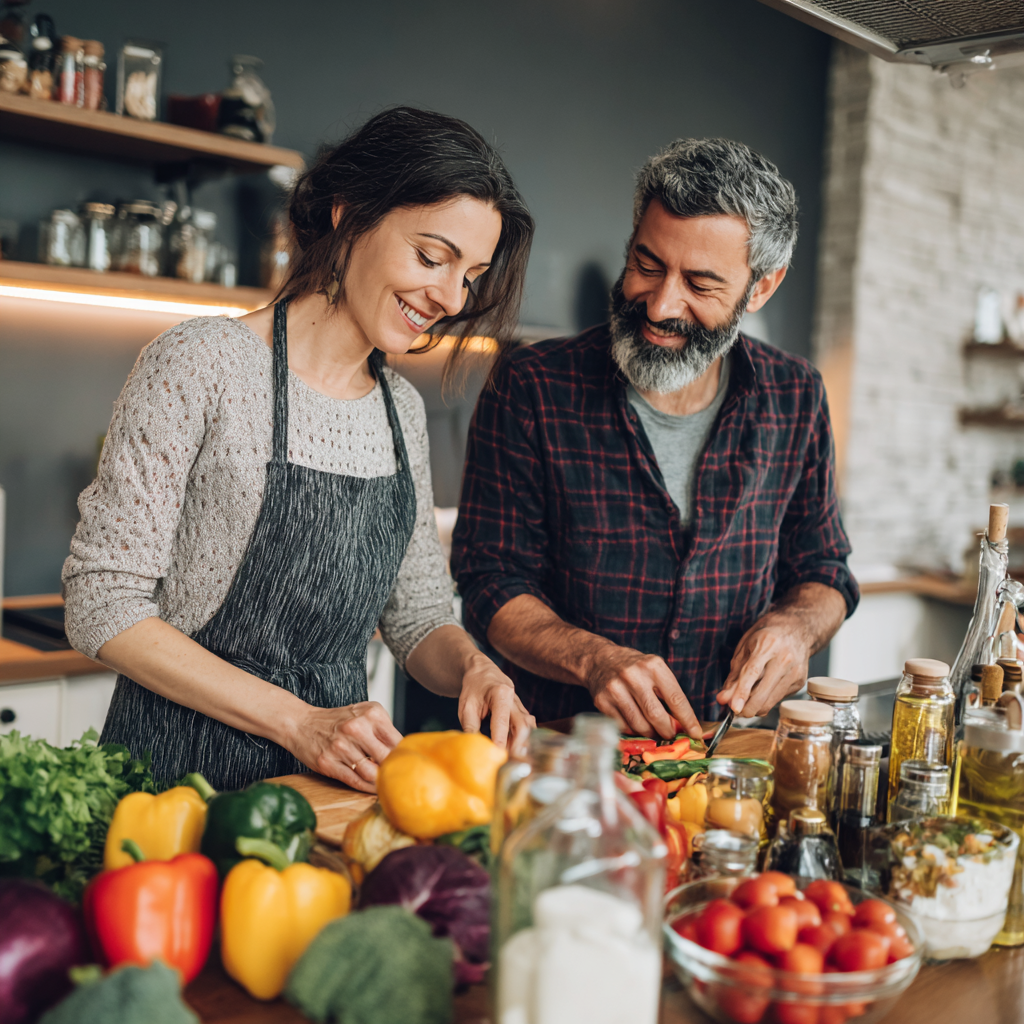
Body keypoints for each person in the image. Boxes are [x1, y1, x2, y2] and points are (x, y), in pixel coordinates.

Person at [62, 107, 536, 792]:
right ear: (348, 212)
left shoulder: (400, 408)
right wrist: (298, 722)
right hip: (173, 780)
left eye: (470, 275)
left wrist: (473, 668)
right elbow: (102, 604)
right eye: (431, 256)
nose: (448, 296)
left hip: (331, 786)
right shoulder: (202, 363)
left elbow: (418, 617)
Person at [451, 137, 858, 739]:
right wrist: (594, 659)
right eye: (647, 264)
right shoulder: (531, 385)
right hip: (558, 754)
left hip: (723, 759)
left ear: (762, 288)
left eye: (700, 283)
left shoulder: (796, 394)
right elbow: (490, 580)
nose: (662, 302)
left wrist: (797, 628)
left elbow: (825, 567)